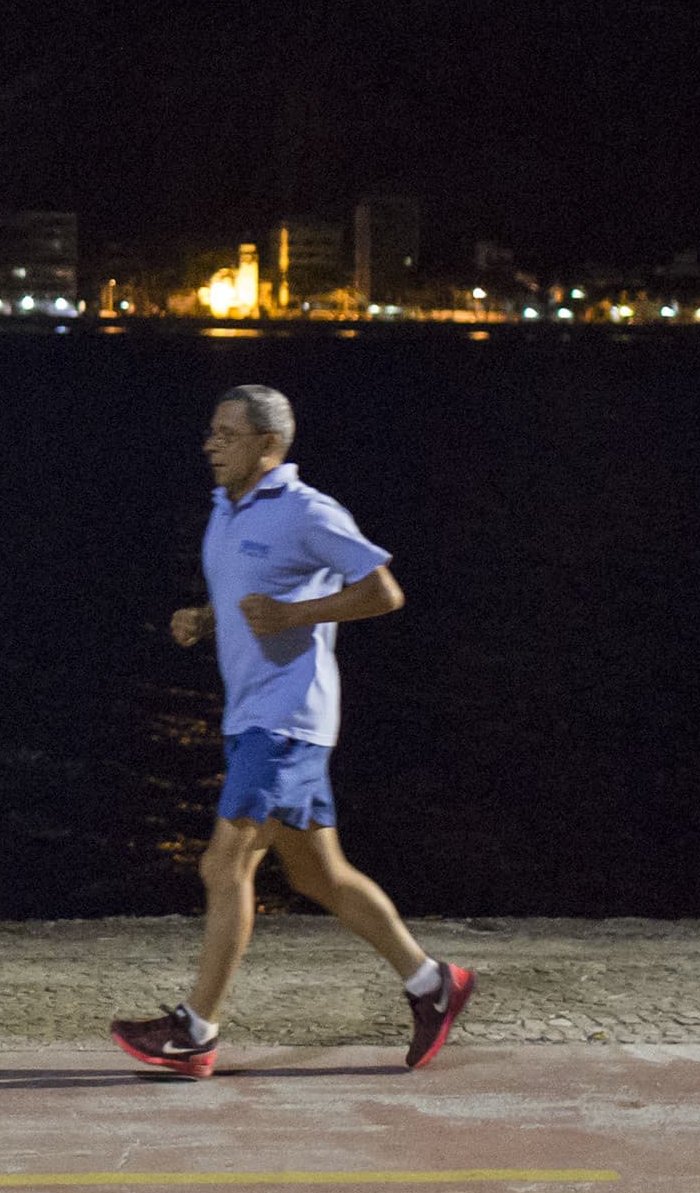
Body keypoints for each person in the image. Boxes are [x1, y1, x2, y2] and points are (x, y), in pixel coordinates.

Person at [109, 382, 474, 1077]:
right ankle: (434, 984)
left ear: (268, 445)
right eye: (211, 432)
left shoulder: (306, 511)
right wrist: (209, 618)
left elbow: (383, 590)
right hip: (253, 715)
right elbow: (260, 592)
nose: (211, 445)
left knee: (226, 864)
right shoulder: (228, 505)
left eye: (227, 435)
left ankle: (195, 1032)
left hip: (287, 718)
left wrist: (299, 617)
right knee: (318, 875)